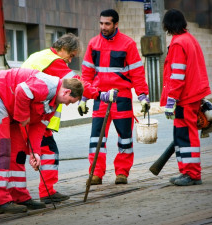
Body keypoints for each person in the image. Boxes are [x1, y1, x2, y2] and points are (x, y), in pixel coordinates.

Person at [0, 68, 83, 213]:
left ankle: (19, 196)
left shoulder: (54, 103)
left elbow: (38, 127)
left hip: (10, 108)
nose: (68, 104)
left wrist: (34, 152)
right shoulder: (47, 85)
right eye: (70, 101)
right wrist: (23, 116)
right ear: (66, 92)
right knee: (0, 150)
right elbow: (22, 91)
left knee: (18, 153)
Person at [79, 9, 150, 185]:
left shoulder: (128, 44)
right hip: (100, 97)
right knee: (97, 138)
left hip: (122, 98)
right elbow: (86, 74)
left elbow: (137, 73)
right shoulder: (93, 44)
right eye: (101, 23)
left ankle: (122, 173)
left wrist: (143, 96)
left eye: (107, 24)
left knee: (124, 138)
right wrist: (83, 98)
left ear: (116, 24)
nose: (103, 27)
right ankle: (95, 173)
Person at [21, 33, 83, 204]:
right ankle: (46, 192)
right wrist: (99, 94)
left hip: (31, 114)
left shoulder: (39, 56)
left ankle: (45, 191)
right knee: (49, 153)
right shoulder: (55, 61)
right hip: (35, 117)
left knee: (44, 151)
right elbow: (75, 82)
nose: (70, 61)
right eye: (70, 56)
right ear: (63, 49)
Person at [161, 9, 211, 186]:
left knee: (186, 135)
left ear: (168, 25)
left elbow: (177, 76)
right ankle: (186, 171)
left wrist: (171, 100)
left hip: (185, 97)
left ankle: (191, 174)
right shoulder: (189, 39)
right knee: (183, 134)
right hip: (192, 94)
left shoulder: (178, 44)